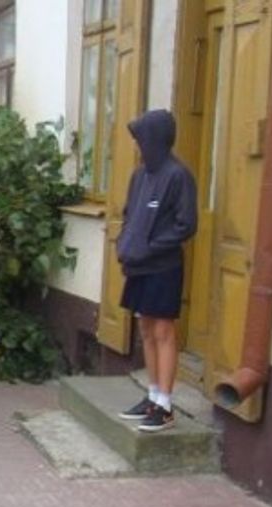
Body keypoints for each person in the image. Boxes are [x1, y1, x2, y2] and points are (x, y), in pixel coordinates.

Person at [115, 109, 198, 432]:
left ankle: (165, 404)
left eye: (141, 139)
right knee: (146, 330)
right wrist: (125, 245)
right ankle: (152, 396)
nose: (138, 145)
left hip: (164, 266)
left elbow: (186, 225)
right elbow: (128, 215)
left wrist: (149, 247)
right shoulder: (139, 176)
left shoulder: (178, 176)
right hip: (138, 266)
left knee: (163, 332)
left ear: (156, 140)